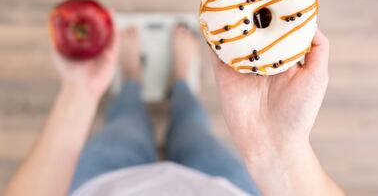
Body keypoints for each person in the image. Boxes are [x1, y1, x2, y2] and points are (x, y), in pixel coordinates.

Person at [4, 20, 344, 196]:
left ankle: (133, 77)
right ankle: (182, 78)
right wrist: (276, 147)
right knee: (192, 127)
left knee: (125, 122)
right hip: (224, 187)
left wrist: (81, 89)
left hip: (103, 184)